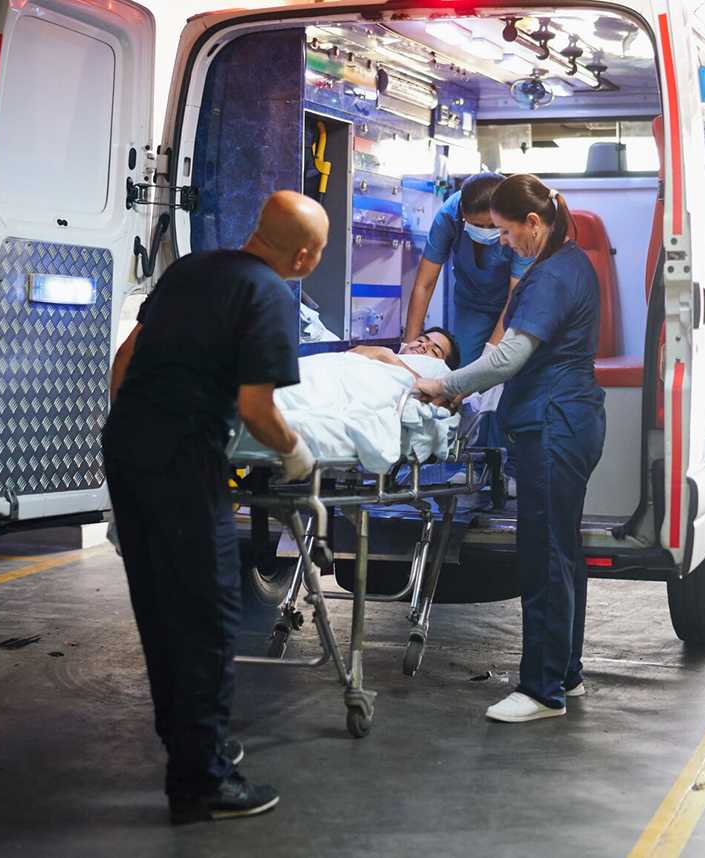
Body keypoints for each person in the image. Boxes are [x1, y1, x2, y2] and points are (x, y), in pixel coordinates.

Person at [102, 191, 327, 823]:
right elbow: (258, 409)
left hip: (129, 445)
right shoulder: (271, 297)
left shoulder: (192, 269)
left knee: (157, 601)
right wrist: (296, 453)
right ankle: (203, 782)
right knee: (206, 615)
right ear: (305, 255)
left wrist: (139, 431)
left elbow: (125, 362)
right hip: (181, 459)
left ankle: (190, 745)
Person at [413, 175, 606, 723]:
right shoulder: (568, 265)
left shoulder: (549, 278)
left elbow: (507, 358)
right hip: (568, 420)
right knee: (562, 551)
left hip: (554, 425)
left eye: (504, 231)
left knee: (544, 555)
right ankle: (565, 672)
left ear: (533, 224)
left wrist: (445, 384)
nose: (500, 242)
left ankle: (543, 691)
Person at [403, 173, 531, 363]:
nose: (486, 231)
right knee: (464, 369)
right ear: (462, 212)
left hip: (518, 306)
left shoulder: (517, 221)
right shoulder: (448, 215)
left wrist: (490, 355)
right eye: (478, 225)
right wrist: (407, 348)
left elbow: (515, 297)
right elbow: (425, 284)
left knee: (505, 367)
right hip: (473, 305)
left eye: (493, 225)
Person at [349, 326, 461, 377]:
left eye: (435, 351)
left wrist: (384, 356)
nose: (424, 345)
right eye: (421, 340)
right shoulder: (386, 354)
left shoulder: (385, 354)